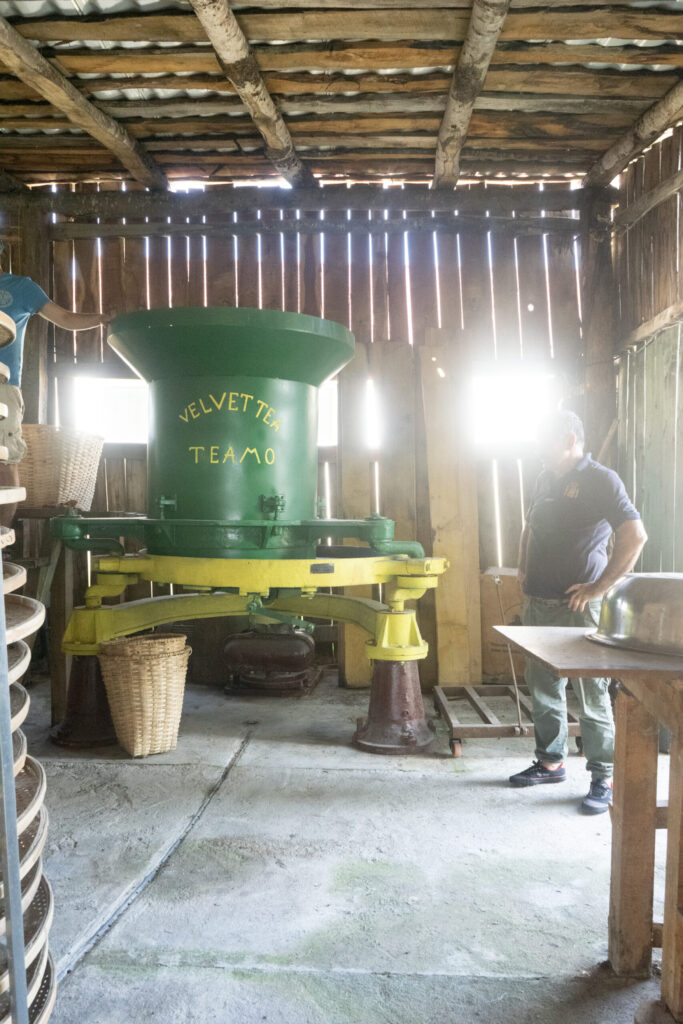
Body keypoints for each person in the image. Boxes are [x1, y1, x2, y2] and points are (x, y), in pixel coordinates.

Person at [510, 409, 647, 814]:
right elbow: (530, 526)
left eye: (544, 440)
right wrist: (522, 565)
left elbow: (634, 535)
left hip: (579, 610)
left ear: (570, 441)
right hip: (539, 604)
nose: (538, 447)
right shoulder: (545, 478)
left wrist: (599, 587)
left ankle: (604, 777)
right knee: (544, 688)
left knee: (592, 694)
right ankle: (551, 761)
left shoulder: (601, 480)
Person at [0, 239, 110, 525]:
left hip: (4, 387)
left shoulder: (21, 287)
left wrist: (99, 319)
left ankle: (1, 540)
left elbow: (63, 317)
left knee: (5, 457)